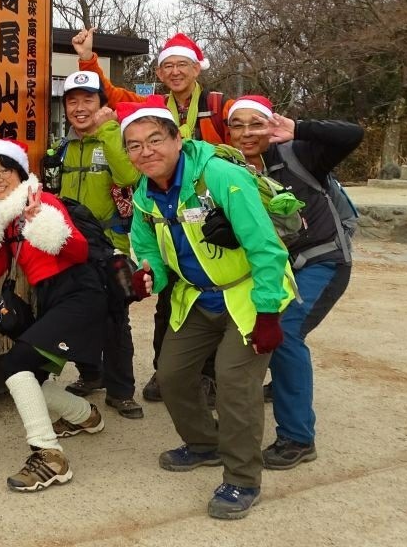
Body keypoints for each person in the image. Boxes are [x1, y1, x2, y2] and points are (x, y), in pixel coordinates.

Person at [120, 96, 294, 520]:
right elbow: (149, 255)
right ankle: (203, 444)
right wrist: (148, 280)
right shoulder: (144, 196)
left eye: (155, 140)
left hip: (249, 295)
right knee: (172, 373)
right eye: (135, 145)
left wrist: (268, 313)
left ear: (178, 139)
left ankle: (242, 479)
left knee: (234, 381)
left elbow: (267, 248)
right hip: (196, 296)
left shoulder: (220, 176)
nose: (146, 152)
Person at [72, 27, 232, 403]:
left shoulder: (219, 104)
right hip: (164, 206)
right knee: (169, 295)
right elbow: (114, 96)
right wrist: (86, 58)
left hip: (212, 210)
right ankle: (166, 370)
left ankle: (210, 376)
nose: (175, 72)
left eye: (183, 65)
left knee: (215, 292)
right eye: (168, 66)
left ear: (197, 68)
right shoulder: (156, 104)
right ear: (159, 73)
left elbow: (244, 137)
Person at [224, 95, 363, 470]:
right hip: (275, 267)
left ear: (271, 125)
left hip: (322, 259)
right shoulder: (230, 168)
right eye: (238, 125)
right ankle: (279, 388)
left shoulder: (299, 155)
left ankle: (298, 437)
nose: (247, 132)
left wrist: (299, 129)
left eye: (257, 123)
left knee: (285, 333)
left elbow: (353, 135)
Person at [0, 139, 107, 492]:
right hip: (53, 300)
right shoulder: (5, 217)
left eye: (5, 170)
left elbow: (79, 250)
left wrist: (42, 220)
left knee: (16, 364)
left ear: (20, 172)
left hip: (80, 292)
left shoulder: (41, 200)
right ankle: (84, 415)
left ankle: (49, 456)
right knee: (33, 373)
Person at [51, 71, 144, 419]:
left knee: (115, 319)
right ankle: (92, 375)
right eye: (72, 101)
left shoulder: (113, 139)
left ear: (102, 105)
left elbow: (129, 177)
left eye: (88, 100)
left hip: (109, 245)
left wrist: (107, 130)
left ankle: (122, 391)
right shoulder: (62, 146)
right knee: (77, 315)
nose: (79, 108)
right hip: (69, 247)